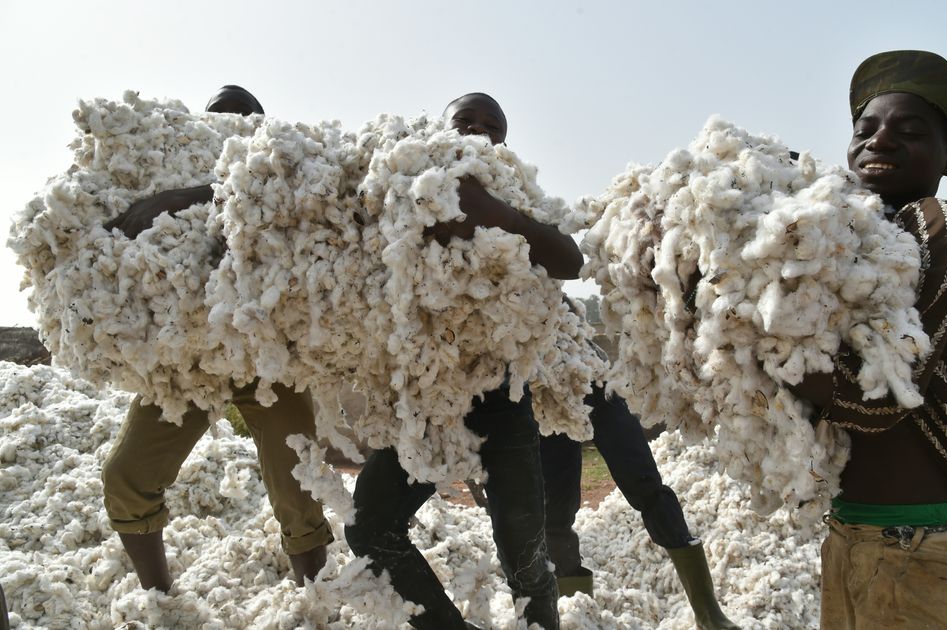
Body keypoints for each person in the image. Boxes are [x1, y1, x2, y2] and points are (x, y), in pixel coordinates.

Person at [790, 50, 947, 629]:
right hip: (854, 537)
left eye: (911, 130)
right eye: (864, 129)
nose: (880, 141)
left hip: (934, 551)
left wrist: (747, 332)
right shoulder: (850, 245)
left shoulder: (942, 223)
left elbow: (872, 402)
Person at [344, 92, 581, 630]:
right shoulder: (408, 180)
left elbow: (570, 258)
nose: (477, 131)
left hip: (501, 400)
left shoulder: (518, 194)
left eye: (490, 126)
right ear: (443, 127)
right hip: (427, 399)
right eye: (465, 120)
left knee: (524, 550)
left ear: (503, 141)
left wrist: (491, 214)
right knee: (370, 526)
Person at [102, 85, 332, 592]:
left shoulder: (280, 170)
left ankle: (316, 602)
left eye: (243, 117)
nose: (230, 124)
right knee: (127, 476)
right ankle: (160, 599)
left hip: (268, 362)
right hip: (189, 362)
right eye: (219, 116)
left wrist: (184, 198)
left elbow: (288, 205)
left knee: (299, 494)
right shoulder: (166, 170)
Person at [539, 326, 738, 629]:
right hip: (541, 393)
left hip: (588, 372)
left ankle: (709, 613)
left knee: (647, 487)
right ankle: (577, 617)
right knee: (555, 513)